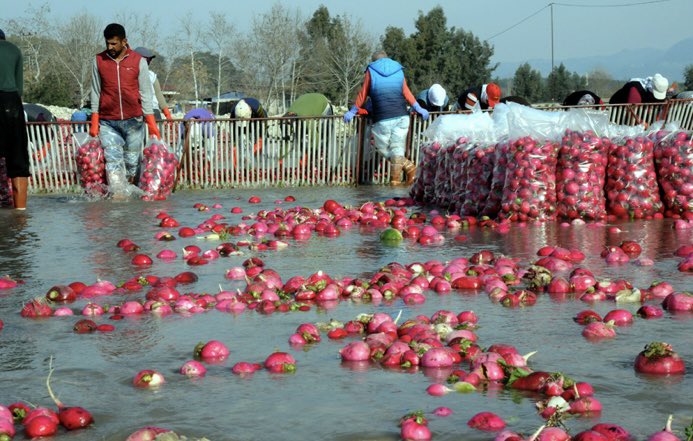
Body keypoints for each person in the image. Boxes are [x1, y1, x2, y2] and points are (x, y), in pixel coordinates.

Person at [90, 23, 160, 191]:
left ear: (124, 41)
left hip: (134, 121)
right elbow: (95, 91)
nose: (110, 47)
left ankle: (131, 193)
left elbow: (145, 93)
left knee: (132, 161)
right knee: (112, 159)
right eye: (107, 43)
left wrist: (151, 122)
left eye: (114, 43)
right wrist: (94, 118)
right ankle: (118, 196)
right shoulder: (99, 61)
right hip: (108, 122)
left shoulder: (139, 61)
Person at [344, 51, 428, 186]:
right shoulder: (398, 70)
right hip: (402, 116)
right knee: (397, 149)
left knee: (382, 148)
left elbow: (363, 93)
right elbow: (406, 92)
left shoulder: (371, 70)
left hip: (382, 118)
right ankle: (408, 172)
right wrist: (418, 107)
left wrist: (353, 110)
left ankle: (396, 184)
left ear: (373, 61)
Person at [0, 28, 29, 209]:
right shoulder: (14, 50)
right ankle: (20, 212)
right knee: (18, 160)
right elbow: (19, 89)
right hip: (12, 103)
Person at [133, 47, 173, 121]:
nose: (148, 61)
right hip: (137, 113)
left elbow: (158, 95)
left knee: (156, 132)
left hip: (153, 111)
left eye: (150, 59)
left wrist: (167, 115)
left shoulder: (151, 75)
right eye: (146, 59)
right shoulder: (129, 75)